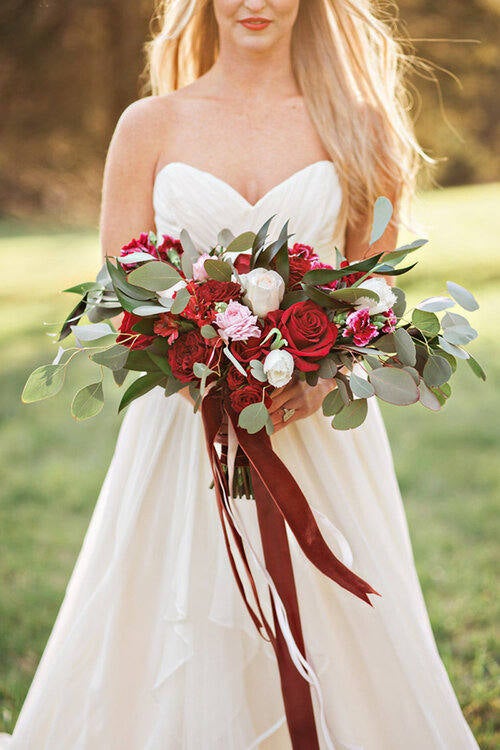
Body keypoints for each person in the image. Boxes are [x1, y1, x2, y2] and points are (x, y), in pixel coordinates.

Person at [1, 0, 480, 748]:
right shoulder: (149, 126)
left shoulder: (362, 123)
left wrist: (321, 381)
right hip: (182, 432)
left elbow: (376, 297)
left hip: (318, 433)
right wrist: (193, 352)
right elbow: (117, 291)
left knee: (343, 636)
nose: (254, 2)